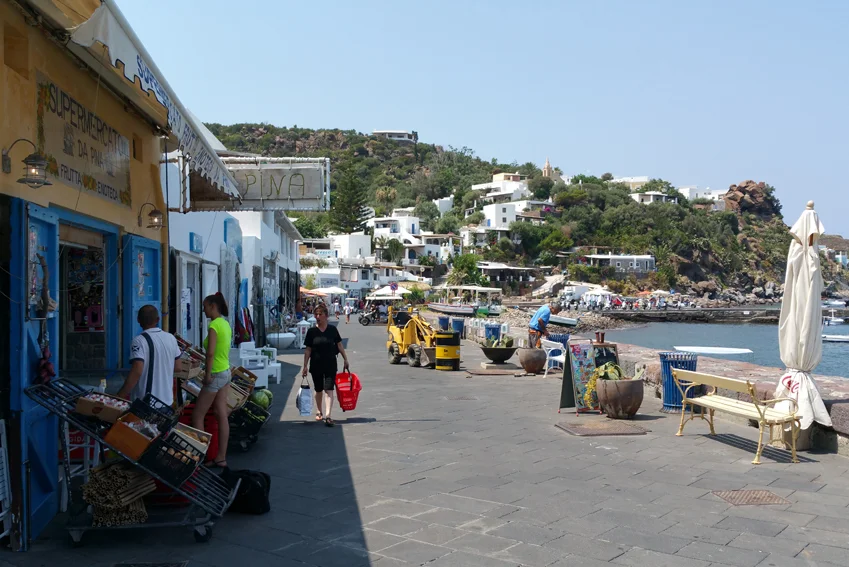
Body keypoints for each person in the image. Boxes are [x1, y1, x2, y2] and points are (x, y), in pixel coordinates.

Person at [193, 292, 233, 468]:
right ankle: (221, 457)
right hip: (225, 372)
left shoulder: (214, 326)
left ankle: (201, 455)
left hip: (215, 374)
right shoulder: (225, 324)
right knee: (221, 415)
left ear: (212, 306)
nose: (203, 310)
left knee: (197, 415)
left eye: (204, 306)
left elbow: (210, 354)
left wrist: (207, 375)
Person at [118, 305, 181, 404]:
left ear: (138, 320)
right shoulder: (171, 338)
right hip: (167, 402)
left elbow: (137, 371)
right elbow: (178, 367)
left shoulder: (139, 341)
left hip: (146, 404)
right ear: (158, 319)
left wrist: (120, 395)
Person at [302, 303, 350, 427]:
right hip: (316, 364)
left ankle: (328, 415)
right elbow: (308, 349)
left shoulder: (332, 330)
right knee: (318, 389)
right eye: (316, 314)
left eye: (320, 314)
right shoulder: (312, 332)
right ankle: (319, 411)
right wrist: (305, 366)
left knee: (329, 389)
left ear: (326, 316)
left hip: (330, 364)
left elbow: (339, 345)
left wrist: (345, 359)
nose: (317, 316)